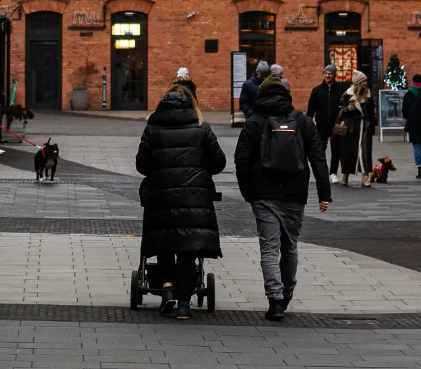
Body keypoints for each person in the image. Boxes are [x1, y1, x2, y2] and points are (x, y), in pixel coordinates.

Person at [235, 63, 331, 321]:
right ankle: (287, 294)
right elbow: (318, 158)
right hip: (295, 192)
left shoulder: (254, 123)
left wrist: (248, 192)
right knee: (289, 247)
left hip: (263, 194)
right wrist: (324, 194)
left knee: (269, 248)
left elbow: (241, 160)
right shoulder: (302, 122)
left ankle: (274, 299)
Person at [134, 73, 226, 319]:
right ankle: (184, 304)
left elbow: (142, 166)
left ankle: (167, 292)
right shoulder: (202, 128)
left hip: (162, 199)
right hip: (193, 200)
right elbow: (219, 163)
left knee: (165, 245)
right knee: (187, 249)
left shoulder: (151, 128)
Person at [333, 69, 377, 187]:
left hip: (364, 127)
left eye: (366, 81)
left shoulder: (368, 95)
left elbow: (372, 114)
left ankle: (365, 176)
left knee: (365, 152)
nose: (365, 83)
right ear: (357, 83)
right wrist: (348, 109)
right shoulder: (347, 94)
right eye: (363, 81)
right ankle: (345, 174)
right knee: (347, 152)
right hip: (350, 127)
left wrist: (371, 127)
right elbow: (340, 109)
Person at [305, 64, 339, 162]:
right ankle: (322, 171)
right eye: (326, 73)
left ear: (334, 75)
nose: (327, 76)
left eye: (330, 74)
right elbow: (311, 109)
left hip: (335, 125)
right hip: (321, 125)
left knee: (336, 150)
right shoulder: (317, 90)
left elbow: (342, 107)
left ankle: (333, 173)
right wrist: (307, 123)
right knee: (320, 150)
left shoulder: (340, 89)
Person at [402, 71, 421, 178]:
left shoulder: (409, 94)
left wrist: (410, 118)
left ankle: (420, 171)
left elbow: (404, 111)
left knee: (417, 146)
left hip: (413, 124)